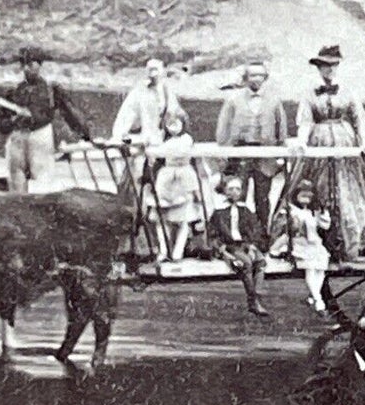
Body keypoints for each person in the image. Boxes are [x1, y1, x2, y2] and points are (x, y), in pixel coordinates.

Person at [294, 45, 365, 260]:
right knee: (319, 189)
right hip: (320, 143)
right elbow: (305, 121)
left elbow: (359, 119)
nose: (329, 70)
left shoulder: (348, 91)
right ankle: (319, 242)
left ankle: (350, 244)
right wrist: (301, 142)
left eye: (333, 65)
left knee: (348, 192)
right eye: (325, 66)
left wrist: (364, 142)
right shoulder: (309, 93)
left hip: (345, 143)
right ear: (319, 69)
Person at [0, 46, 93, 194]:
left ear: (39, 65)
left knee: (43, 187)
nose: (27, 69)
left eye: (30, 64)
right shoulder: (14, 92)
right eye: (24, 65)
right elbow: (1, 125)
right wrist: (13, 121)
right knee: (15, 188)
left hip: (41, 139)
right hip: (17, 141)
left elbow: (70, 113)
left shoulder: (51, 90)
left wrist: (86, 135)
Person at [215, 60, 289, 235]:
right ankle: (237, 235)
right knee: (237, 195)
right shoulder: (233, 100)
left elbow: (281, 129)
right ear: (246, 78)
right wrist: (224, 153)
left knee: (262, 199)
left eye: (260, 75)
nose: (256, 79)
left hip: (265, 156)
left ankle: (263, 236)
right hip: (240, 155)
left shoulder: (274, 101)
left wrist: (280, 154)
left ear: (265, 78)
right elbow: (223, 129)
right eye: (252, 75)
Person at [207, 174, 269, 317]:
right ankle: (253, 301)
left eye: (238, 189)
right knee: (245, 263)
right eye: (231, 189)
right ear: (224, 190)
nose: (234, 192)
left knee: (260, 261)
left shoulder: (245, 210)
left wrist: (252, 246)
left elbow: (253, 230)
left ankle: (256, 296)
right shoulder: (219, 212)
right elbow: (213, 235)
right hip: (230, 246)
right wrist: (223, 251)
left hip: (245, 244)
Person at [148, 111, 200, 262]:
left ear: (183, 124)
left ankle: (178, 252)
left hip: (183, 176)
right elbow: (157, 153)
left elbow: (174, 151)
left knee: (184, 218)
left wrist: (158, 150)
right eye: (170, 124)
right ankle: (164, 250)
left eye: (176, 124)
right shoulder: (165, 139)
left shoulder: (186, 139)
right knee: (162, 217)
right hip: (166, 177)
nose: (173, 128)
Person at [111, 57, 185, 147]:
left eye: (156, 71)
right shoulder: (139, 93)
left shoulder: (167, 92)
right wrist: (120, 135)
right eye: (151, 71)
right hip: (144, 140)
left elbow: (174, 117)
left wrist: (174, 125)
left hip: (162, 139)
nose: (154, 75)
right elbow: (126, 115)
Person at [286, 180, 333, 316]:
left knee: (321, 268)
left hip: (315, 243)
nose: (306, 200)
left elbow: (325, 226)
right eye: (302, 196)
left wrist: (324, 212)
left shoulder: (314, 211)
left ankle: (313, 295)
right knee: (311, 269)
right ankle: (319, 302)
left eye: (309, 197)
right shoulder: (293, 210)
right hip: (300, 243)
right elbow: (293, 227)